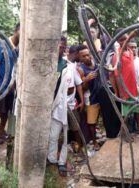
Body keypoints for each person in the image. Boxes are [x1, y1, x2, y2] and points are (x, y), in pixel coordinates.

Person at [48, 40, 84, 177]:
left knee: (65, 135)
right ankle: (51, 158)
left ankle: (62, 162)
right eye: (59, 47)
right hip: (53, 105)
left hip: (66, 106)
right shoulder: (53, 64)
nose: (61, 50)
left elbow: (77, 83)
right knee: (53, 136)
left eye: (63, 47)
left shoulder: (69, 66)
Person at [77, 45, 101, 150]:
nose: (87, 57)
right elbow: (82, 87)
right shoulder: (81, 69)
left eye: (88, 55)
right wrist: (86, 79)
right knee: (92, 121)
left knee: (101, 117)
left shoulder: (96, 63)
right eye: (84, 56)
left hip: (102, 94)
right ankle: (94, 141)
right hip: (91, 97)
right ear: (80, 58)